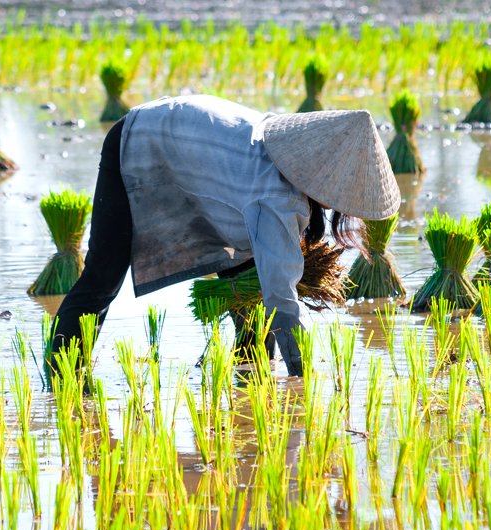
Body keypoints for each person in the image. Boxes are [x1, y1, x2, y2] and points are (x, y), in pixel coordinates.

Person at [51, 95, 400, 376]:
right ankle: (61, 378)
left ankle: (249, 375)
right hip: (140, 140)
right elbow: (282, 298)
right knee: (103, 277)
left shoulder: (280, 150)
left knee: (248, 295)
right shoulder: (275, 197)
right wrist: (302, 376)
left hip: (187, 149)